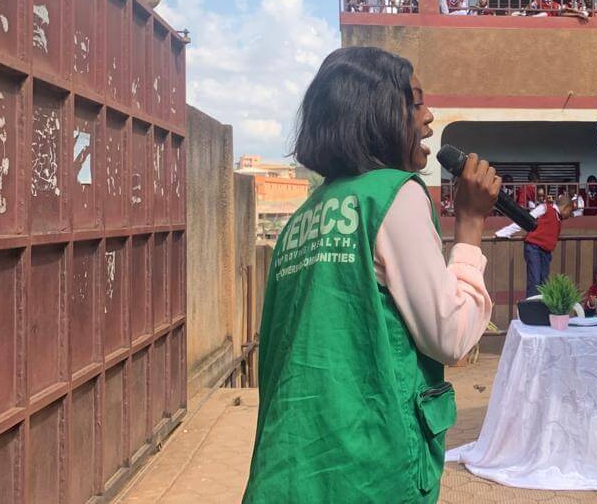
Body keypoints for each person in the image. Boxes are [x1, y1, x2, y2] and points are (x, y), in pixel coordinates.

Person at [243, 47, 499, 502]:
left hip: (291, 471)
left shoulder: (305, 214)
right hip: (368, 468)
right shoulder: (393, 195)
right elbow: (451, 334)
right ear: (377, 112)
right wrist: (471, 225)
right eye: (415, 101)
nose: (429, 116)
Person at [496, 195, 575, 297]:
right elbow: (523, 220)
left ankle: (541, 306)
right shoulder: (545, 208)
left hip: (546, 252)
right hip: (534, 249)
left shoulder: (558, 218)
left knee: (543, 282)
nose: (570, 215)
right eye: (570, 211)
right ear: (566, 208)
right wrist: (504, 232)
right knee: (535, 280)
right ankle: (532, 308)